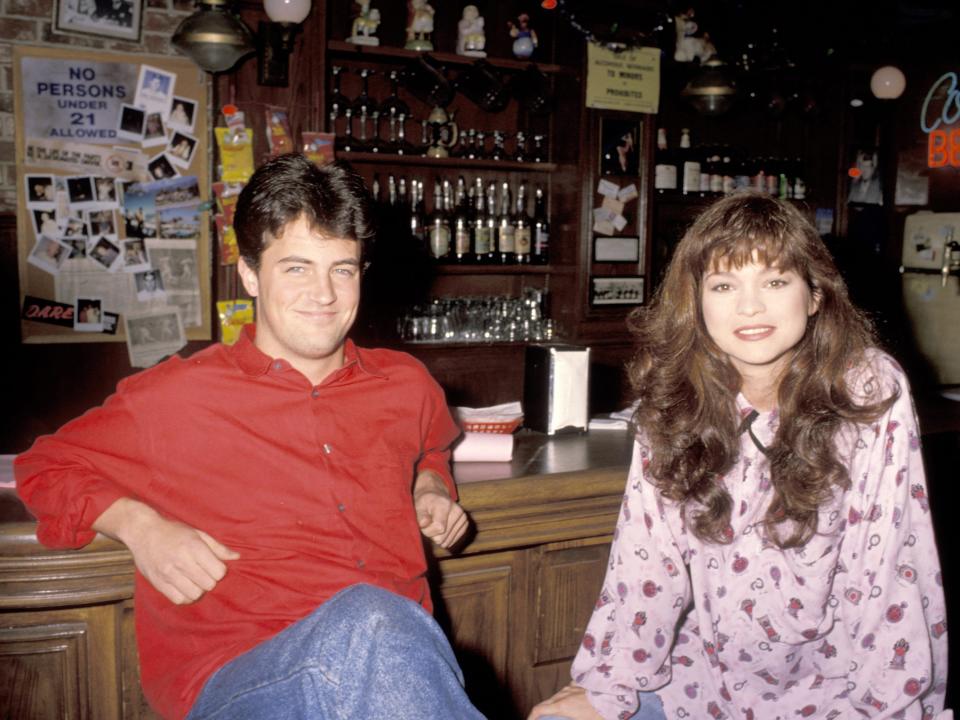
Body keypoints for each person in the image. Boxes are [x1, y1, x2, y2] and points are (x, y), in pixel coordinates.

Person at [16, 154, 483, 720]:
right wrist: (140, 527)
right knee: (372, 620)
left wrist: (430, 487)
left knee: (378, 624)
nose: (325, 293)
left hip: (397, 669)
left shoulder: (406, 384)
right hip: (240, 679)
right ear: (249, 275)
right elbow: (44, 467)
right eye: (296, 268)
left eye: (342, 268)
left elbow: (430, 446)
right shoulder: (175, 395)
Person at [528, 192, 948, 720]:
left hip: (837, 691)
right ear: (696, 302)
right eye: (724, 286)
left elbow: (889, 568)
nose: (750, 307)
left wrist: (885, 709)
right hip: (701, 683)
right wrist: (606, 685)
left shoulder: (865, 388)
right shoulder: (672, 401)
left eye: (775, 282)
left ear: (815, 294)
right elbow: (645, 559)